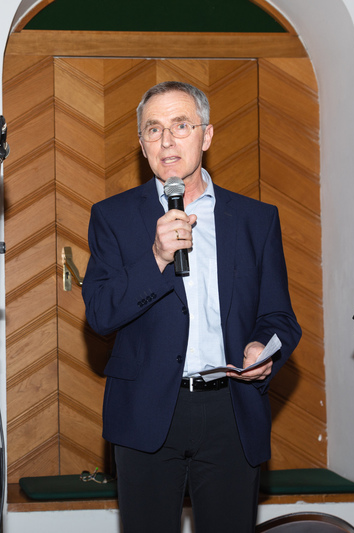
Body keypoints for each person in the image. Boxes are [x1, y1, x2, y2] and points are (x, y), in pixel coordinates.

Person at [82, 81, 302, 532]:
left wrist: (263, 348)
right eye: (153, 129)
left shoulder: (256, 220)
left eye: (181, 126)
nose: (167, 141)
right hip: (146, 411)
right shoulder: (113, 217)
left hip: (231, 411)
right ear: (142, 143)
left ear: (206, 136)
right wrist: (157, 258)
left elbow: (280, 317)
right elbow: (101, 314)